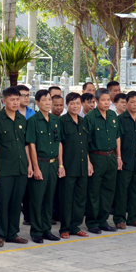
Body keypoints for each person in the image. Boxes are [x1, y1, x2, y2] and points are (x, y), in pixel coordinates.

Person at [0, 86, 31, 247]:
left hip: (20, 168)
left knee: (16, 202)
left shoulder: (21, 120)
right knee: (2, 202)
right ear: (4, 101)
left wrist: (30, 165)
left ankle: (13, 233)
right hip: (3, 169)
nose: (15, 102)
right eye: (12, 99)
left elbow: (26, 145)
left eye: (17, 99)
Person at [26, 89, 62, 243]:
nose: (48, 102)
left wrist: (61, 165)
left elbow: (59, 142)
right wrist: (35, 167)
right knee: (37, 199)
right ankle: (36, 231)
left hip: (53, 164)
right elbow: (31, 145)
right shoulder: (33, 120)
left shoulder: (55, 120)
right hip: (40, 163)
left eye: (49, 99)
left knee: (49, 198)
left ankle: (47, 229)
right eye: (44, 100)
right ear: (37, 103)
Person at [85, 88, 121, 234]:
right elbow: (85, 143)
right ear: (96, 101)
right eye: (103, 100)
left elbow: (117, 137)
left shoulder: (113, 115)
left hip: (111, 157)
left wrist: (119, 157)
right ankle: (92, 222)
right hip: (96, 157)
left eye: (108, 100)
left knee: (108, 190)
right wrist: (88, 162)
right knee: (94, 191)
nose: (106, 102)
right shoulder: (90, 118)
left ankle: (103, 220)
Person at [58, 93, 92, 239]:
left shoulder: (83, 122)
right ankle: (64, 228)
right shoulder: (62, 121)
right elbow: (59, 143)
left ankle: (75, 226)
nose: (75, 106)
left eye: (78, 103)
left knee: (80, 198)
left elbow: (86, 145)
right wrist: (60, 165)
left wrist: (89, 163)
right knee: (66, 198)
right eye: (72, 103)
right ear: (67, 105)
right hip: (68, 166)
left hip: (82, 166)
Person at [114, 91, 136, 229]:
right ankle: (120, 218)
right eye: (132, 102)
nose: (135, 105)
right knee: (122, 191)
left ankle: (133, 218)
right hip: (125, 160)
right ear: (126, 103)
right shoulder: (120, 119)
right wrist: (119, 157)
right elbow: (117, 140)